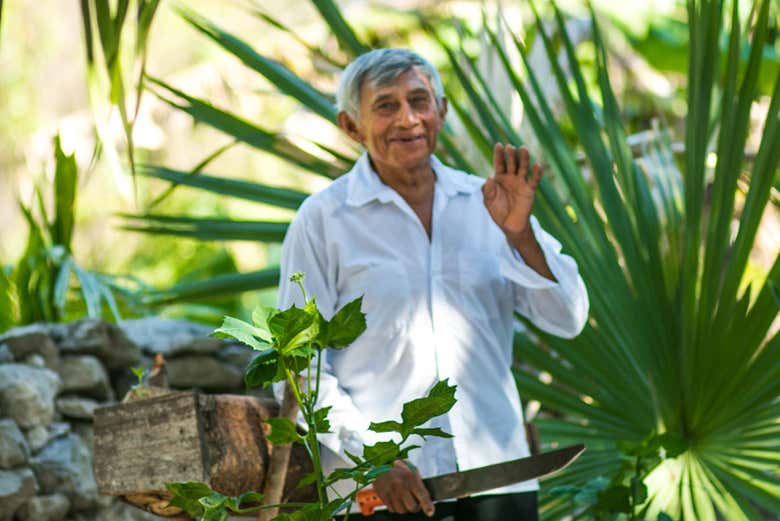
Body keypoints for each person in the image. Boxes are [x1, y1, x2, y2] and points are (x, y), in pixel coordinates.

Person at [276, 48, 589, 520]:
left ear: (441, 112)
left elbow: (568, 318)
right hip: (381, 494)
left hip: (496, 481)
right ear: (350, 126)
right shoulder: (322, 221)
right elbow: (300, 365)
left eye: (419, 100)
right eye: (385, 106)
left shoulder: (491, 204)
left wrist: (521, 237)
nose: (408, 119)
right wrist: (372, 457)